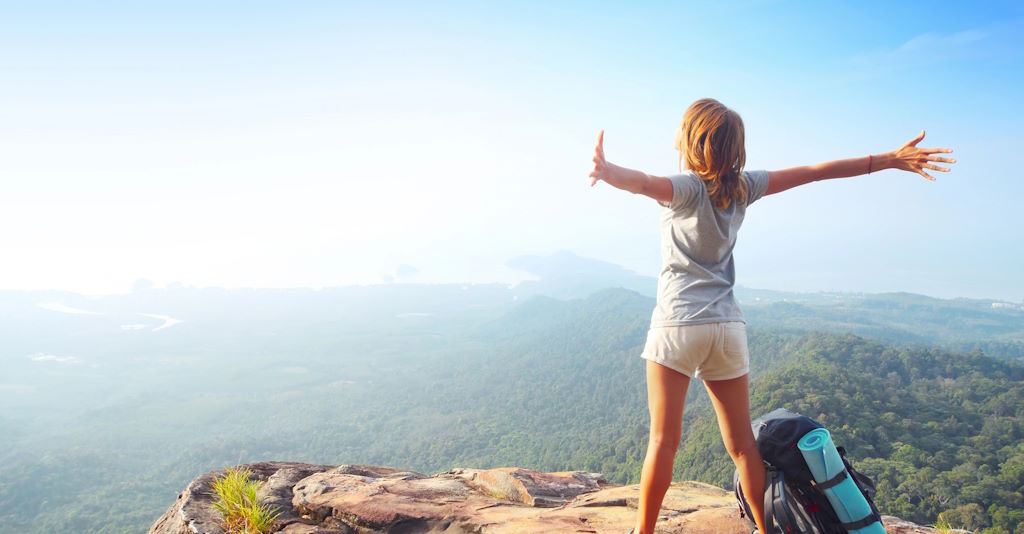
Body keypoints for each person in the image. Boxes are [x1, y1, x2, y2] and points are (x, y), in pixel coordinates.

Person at [587, 98, 955, 534]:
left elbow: (646, 183)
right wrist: (889, 160)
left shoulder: (686, 187)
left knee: (663, 441)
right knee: (743, 446)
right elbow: (816, 171)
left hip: (678, 325)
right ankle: (764, 531)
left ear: (692, 141)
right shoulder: (743, 187)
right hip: (726, 329)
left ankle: (643, 532)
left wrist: (609, 173)